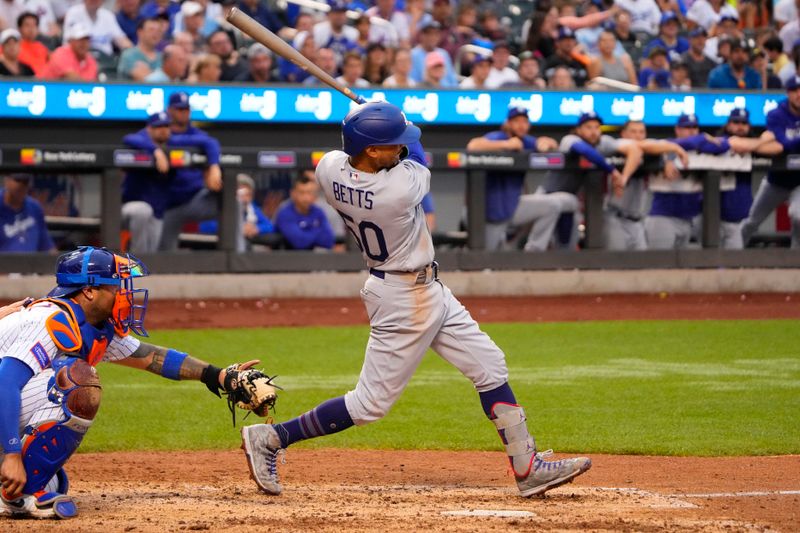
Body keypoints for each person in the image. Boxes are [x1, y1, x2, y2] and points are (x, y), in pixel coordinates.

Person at [240, 102, 592, 498]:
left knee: (489, 365)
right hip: (403, 298)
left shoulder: (329, 168)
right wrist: (387, 117)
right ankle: (271, 438)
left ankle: (528, 468)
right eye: (390, 144)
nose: (399, 149)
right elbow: (416, 148)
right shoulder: (399, 188)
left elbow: (354, 149)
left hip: (426, 288)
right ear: (372, 151)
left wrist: (372, 118)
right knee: (369, 405)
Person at [0, 246, 261, 519]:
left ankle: (20, 487)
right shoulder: (48, 319)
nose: (123, 294)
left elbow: (152, 357)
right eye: (116, 286)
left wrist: (220, 376)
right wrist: (13, 454)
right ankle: (16, 497)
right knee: (77, 382)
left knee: (50, 476)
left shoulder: (90, 324)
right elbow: (5, 382)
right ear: (89, 291)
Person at [466, 107, 566, 251]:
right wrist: (506, 145)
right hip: (492, 211)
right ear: (508, 123)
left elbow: (549, 144)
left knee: (553, 205)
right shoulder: (499, 137)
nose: (521, 125)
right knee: (487, 259)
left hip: (514, 206)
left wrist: (547, 142)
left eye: (524, 121)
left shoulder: (526, 141)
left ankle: (533, 252)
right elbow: (473, 145)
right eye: (516, 121)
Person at [157, 91, 244, 252]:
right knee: (162, 254)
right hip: (167, 206)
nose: (184, 112)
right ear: (170, 110)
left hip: (195, 199)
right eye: (179, 109)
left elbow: (211, 143)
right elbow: (138, 139)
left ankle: (237, 255)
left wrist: (213, 166)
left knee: (233, 201)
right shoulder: (159, 132)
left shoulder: (198, 135)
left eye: (186, 109)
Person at [543, 112, 643, 249]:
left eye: (597, 127)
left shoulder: (603, 142)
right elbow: (584, 150)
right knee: (544, 243)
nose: (594, 132)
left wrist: (623, 178)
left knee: (566, 244)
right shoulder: (570, 139)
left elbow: (634, 149)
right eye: (588, 127)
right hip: (548, 195)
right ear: (579, 130)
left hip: (571, 202)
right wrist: (612, 171)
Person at [645, 113, 734, 249]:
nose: (692, 130)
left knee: (681, 267)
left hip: (687, 220)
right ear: (677, 130)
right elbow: (668, 144)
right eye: (687, 127)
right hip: (663, 217)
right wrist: (669, 158)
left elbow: (724, 145)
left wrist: (702, 139)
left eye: (695, 127)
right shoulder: (665, 146)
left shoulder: (702, 149)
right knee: (660, 264)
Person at [606, 120, 689, 250]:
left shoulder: (650, 152)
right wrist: (674, 148)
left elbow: (657, 145)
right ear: (623, 133)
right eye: (633, 131)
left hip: (637, 221)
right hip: (615, 218)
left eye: (641, 132)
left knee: (643, 265)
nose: (637, 135)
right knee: (614, 264)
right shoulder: (614, 146)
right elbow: (639, 146)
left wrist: (667, 160)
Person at [742, 77, 800, 248]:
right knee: (752, 221)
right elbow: (783, 144)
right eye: (794, 90)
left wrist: (791, 142)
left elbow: (786, 143)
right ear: (788, 93)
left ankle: (795, 260)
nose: (799, 94)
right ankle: (731, 253)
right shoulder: (776, 114)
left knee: (798, 216)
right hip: (776, 180)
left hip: (799, 181)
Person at [274, 174, 334, 250]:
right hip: (286, 259)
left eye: (309, 193)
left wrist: (305, 232)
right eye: (302, 193)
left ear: (314, 196)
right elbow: (299, 242)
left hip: (314, 259)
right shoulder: (284, 213)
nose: (306, 197)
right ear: (293, 194)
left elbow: (328, 240)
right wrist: (316, 229)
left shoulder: (318, 212)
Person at [0, 173, 55, 252]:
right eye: (18, 180)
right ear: (7, 180)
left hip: (32, 263)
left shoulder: (35, 207)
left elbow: (47, 247)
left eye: (25, 182)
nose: (21, 185)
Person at [62, 0, 132, 57]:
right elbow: (69, 42)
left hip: (106, 61)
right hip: (81, 59)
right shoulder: (74, 13)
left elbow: (122, 40)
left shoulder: (107, 15)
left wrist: (133, 51)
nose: (94, 1)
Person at [409, 20, 457, 87]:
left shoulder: (444, 54)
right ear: (421, 35)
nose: (432, 37)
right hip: (423, 92)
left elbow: (453, 82)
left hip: (447, 94)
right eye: (429, 34)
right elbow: (412, 82)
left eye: (436, 34)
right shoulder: (413, 55)